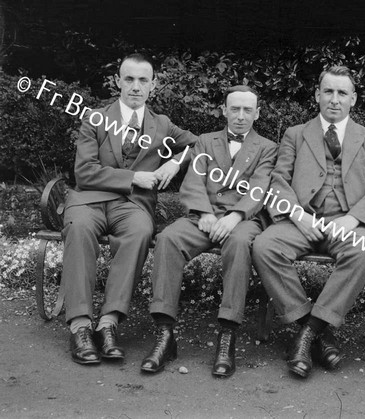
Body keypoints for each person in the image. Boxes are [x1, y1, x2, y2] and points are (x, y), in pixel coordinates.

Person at [252, 65, 365, 378]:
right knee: (264, 246)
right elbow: (278, 179)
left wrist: (354, 219)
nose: (334, 99)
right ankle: (316, 332)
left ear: (353, 99)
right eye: (328, 91)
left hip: (347, 223)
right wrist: (296, 214)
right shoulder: (296, 134)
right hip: (302, 220)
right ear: (317, 95)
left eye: (342, 93)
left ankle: (308, 334)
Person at [63, 53, 199, 365]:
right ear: (118, 82)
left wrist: (175, 162)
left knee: (140, 231)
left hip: (133, 205)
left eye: (142, 80)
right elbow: (84, 172)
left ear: (154, 85)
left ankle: (108, 323)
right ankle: (80, 327)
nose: (135, 87)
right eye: (129, 79)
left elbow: (202, 144)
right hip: (90, 200)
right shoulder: (94, 118)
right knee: (80, 228)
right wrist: (133, 176)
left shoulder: (161, 124)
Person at [141, 85, 277, 376]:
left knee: (239, 245)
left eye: (247, 110)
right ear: (224, 110)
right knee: (167, 239)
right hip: (203, 217)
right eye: (235, 109)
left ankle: (227, 335)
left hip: (242, 220)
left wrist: (236, 215)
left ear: (257, 113)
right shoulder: (205, 141)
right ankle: (165, 334)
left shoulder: (267, 147)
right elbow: (193, 180)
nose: (240, 116)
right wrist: (202, 212)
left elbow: (260, 188)